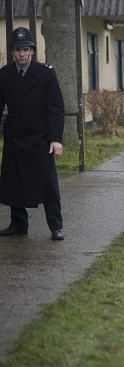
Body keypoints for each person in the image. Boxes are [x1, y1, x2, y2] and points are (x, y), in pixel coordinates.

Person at [0, 27, 65, 241]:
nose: (21, 54)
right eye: (18, 49)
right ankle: (18, 224)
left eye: (25, 49)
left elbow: (55, 109)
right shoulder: (5, 75)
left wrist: (56, 139)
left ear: (32, 51)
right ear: (13, 51)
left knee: (48, 185)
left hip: (40, 139)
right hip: (15, 137)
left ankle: (56, 226)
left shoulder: (46, 74)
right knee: (13, 183)